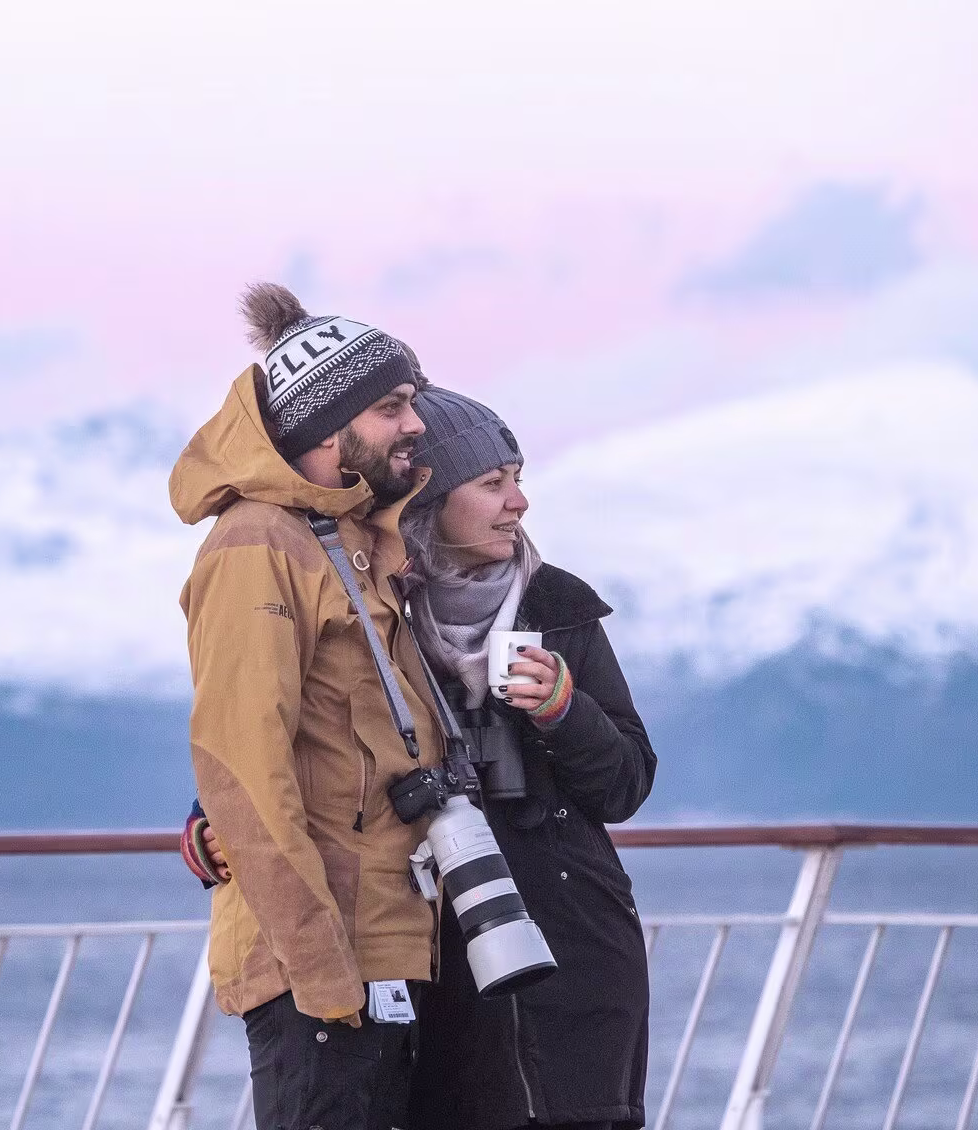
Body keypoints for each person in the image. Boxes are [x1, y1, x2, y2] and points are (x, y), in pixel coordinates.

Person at [186, 383, 657, 1130]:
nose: (519, 504)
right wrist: (210, 828)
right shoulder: (374, 609)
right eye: (493, 484)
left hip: (571, 945)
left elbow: (626, 785)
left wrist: (566, 710)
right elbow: (298, 737)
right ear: (429, 505)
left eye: (519, 479)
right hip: (436, 957)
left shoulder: (557, 608)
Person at [172, 282, 445, 1130]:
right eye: (393, 407)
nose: (416, 425)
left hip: (386, 945)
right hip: (322, 968)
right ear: (329, 428)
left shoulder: (352, 541)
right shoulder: (259, 545)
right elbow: (244, 769)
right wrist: (322, 972)